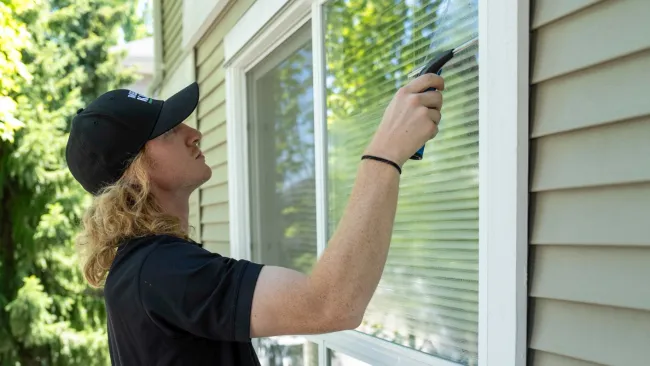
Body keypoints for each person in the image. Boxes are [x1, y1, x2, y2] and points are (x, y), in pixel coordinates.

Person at [65, 73, 445, 365]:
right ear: (135, 172)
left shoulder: (139, 271)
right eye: (168, 130)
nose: (194, 133)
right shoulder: (162, 270)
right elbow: (332, 303)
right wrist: (385, 154)